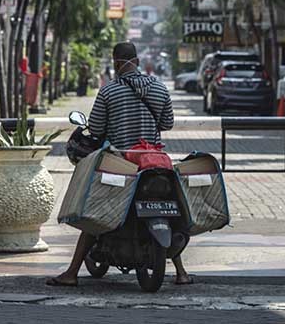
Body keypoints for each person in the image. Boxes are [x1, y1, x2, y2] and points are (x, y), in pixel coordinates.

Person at [47, 43, 192, 287]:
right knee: (169, 209)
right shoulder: (159, 87)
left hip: (121, 164)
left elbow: (95, 128)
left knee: (96, 214)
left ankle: (71, 273)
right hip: (155, 162)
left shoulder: (109, 91)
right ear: (136, 60)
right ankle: (181, 272)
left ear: (116, 63)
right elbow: (167, 123)